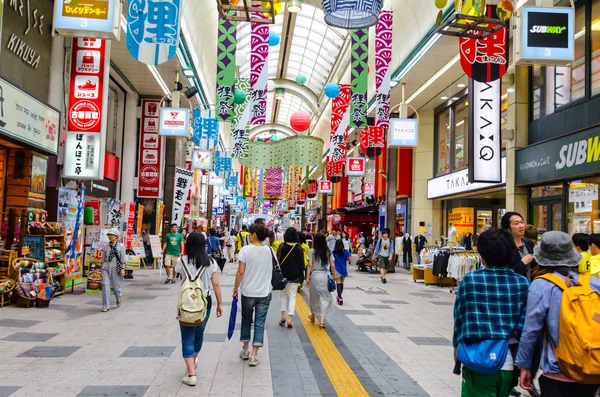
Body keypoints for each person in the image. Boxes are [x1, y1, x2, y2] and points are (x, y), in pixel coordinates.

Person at [516, 231, 600, 397]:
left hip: (558, 371)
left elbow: (531, 331)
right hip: (592, 367)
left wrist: (524, 366)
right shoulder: (593, 282)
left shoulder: (541, 285)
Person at [452, 228, 529, 397]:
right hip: (508, 361)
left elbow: (460, 319)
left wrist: (456, 349)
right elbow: (524, 326)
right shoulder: (522, 283)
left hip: (477, 358)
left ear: (482, 255)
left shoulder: (470, 280)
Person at [175, 232, 223, 387]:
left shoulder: (181, 261)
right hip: (205, 302)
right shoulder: (210, 262)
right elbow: (216, 284)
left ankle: (191, 373)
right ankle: (194, 360)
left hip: (186, 302)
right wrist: (220, 304)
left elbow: (180, 276)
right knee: (199, 333)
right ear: (204, 245)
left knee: (187, 335)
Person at [233, 223, 272, 367]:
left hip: (248, 291)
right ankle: (254, 355)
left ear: (254, 234)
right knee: (260, 322)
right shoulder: (269, 250)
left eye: (250, 234)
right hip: (265, 292)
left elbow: (240, 272)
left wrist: (235, 288)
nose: (249, 236)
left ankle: (245, 350)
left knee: (246, 320)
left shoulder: (245, 250)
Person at [277, 228, 305, 328]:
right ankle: (290, 319)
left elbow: (278, 261)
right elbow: (302, 263)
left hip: (283, 275)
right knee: (293, 296)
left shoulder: (282, 246)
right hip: (295, 275)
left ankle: (283, 316)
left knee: (283, 295)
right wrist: (302, 275)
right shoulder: (298, 248)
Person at [306, 233, 335, 329]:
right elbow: (332, 265)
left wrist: (307, 278)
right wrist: (334, 276)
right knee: (324, 297)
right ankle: (322, 321)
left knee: (314, 297)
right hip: (324, 276)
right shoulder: (328, 251)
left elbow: (309, 265)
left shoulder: (312, 251)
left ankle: (313, 315)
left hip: (314, 275)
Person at [501, 212, 535, 278]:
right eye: (516, 223)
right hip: (516, 285)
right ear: (508, 228)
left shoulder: (529, 243)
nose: (521, 226)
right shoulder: (503, 247)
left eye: (522, 222)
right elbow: (505, 275)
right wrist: (523, 263)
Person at [101, 228, 126, 312]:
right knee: (105, 285)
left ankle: (118, 298)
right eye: (109, 235)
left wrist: (123, 269)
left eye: (112, 235)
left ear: (116, 236)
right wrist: (102, 268)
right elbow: (103, 259)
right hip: (106, 268)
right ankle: (105, 305)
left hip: (116, 268)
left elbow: (123, 259)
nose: (110, 236)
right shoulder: (106, 247)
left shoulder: (121, 246)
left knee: (116, 288)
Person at [332, 239, 351, 305]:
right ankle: (339, 297)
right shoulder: (346, 251)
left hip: (337, 269)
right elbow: (350, 259)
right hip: (343, 269)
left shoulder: (334, 252)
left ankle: (340, 297)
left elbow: (333, 261)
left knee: (338, 283)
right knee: (342, 283)